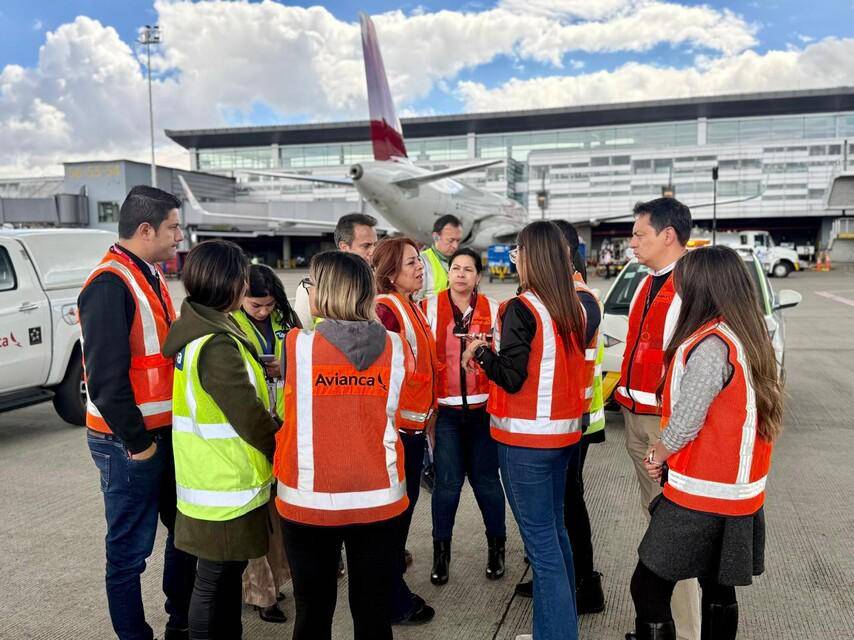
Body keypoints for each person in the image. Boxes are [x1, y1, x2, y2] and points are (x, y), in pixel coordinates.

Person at [626, 245, 781, 640]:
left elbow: (688, 419)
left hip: (700, 494)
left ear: (703, 287)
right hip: (738, 494)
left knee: (647, 587)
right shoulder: (749, 334)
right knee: (717, 583)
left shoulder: (711, 345)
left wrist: (658, 452)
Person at [463, 220, 593, 640]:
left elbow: (513, 376)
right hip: (563, 437)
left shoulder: (521, 308)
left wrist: (481, 353)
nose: (514, 258)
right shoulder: (573, 304)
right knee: (556, 535)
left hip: (526, 442)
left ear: (530, 256)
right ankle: (561, 628)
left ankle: (554, 635)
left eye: (517, 251)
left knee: (543, 549)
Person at [274, 251, 413, 640]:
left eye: (310, 284)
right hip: (378, 498)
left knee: (313, 614)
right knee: (372, 614)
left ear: (325, 292)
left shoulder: (296, 345)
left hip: (309, 501)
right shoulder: (397, 348)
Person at [79, 185, 196, 640]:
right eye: (173, 227)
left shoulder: (147, 273)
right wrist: (141, 447)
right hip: (128, 444)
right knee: (129, 553)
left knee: (183, 535)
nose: (179, 236)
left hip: (163, 435)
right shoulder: (110, 283)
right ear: (146, 229)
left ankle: (180, 622)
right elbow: (105, 382)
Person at [162, 240, 280, 640]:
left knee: (222, 578)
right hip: (225, 486)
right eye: (242, 279)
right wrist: (280, 448)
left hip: (212, 480)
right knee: (213, 582)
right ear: (227, 283)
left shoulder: (204, 328)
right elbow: (248, 416)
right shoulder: (216, 344)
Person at [616, 197, 701, 640]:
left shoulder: (692, 285)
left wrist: (672, 437)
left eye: (638, 234)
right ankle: (661, 621)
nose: (631, 242)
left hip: (663, 429)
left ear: (668, 235)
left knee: (672, 532)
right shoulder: (647, 281)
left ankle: (684, 631)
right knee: (657, 523)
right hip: (636, 420)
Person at [514, 221, 606, 614]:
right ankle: (566, 583)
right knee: (560, 507)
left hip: (574, 417)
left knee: (567, 506)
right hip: (564, 416)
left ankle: (583, 586)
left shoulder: (578, 298)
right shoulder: (559, 296)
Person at [420, 247, 506, 586]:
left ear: (478, 276)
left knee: (487, 483)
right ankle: (441, 553)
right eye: (455, 268)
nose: (460, 274)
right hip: (447, 414)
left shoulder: (495, 310)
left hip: (484, 412)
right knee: (447, 486)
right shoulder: (428, 308)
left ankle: (496, 548)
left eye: (468, 269)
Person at [372, 236, 439, 626]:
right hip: (396, 432)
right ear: (389, 272)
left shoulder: (409, 306)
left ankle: (389, 582)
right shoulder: (387, 310)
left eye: (418, 261)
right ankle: (390, 596)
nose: (419, 267)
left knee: (405, 508)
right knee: (396, 514)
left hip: (413, 428)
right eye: (410, 262)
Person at [231, 264, 301, 624]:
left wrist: (285, 367)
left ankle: (274, 582)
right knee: (256, 517)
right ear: (240, 296)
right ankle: (260, 594)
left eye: (268, 305)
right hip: (253, 429)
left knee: (278, 514)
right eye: (255, 305)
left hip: (284, 424)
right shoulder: (230, 326)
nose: (262, 312)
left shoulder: (286, 321)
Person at [294, 212, 378, 328]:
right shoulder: (311, 288)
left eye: (375, 244)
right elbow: (303, 335)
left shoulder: (380, 281)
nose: (373, 251)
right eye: (366, 246)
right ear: (344, 247)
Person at [419, 214, 463, 299]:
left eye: (458, 241)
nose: (455, 246)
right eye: (451, 240)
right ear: (436, 237)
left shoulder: (460, 261)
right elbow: (414, 302)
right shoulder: (421, 262)